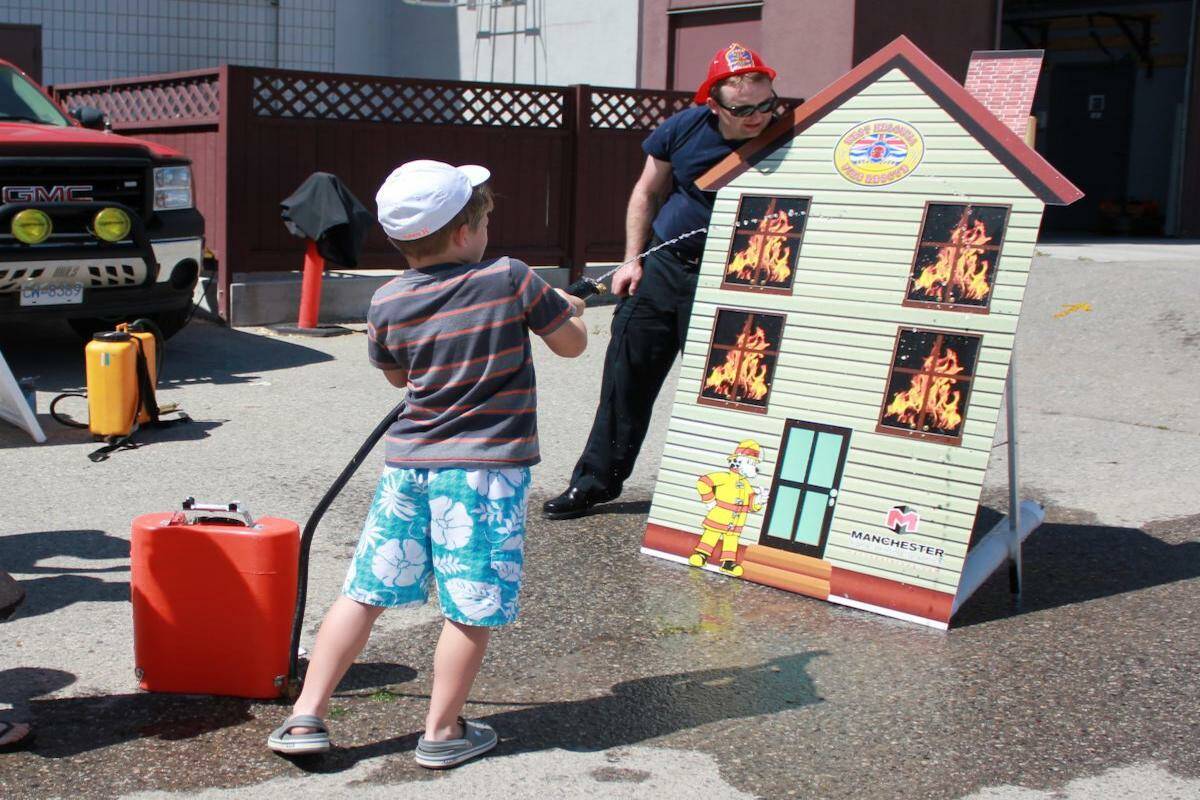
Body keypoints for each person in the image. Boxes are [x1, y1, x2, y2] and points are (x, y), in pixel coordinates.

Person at [268, 160, 588, 767]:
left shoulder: (385, 299)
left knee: (363, 591)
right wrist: (567, 311)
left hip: (408, 468)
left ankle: (307, 715)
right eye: (486, 217)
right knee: (469, 605)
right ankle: (442, 734)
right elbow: (571, 346)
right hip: (486, 473)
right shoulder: (512, 278)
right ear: (466, 232)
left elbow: (398, 375)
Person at [543, 43, 782, 520]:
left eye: (766, 104)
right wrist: (631, 260)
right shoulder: (683, 128)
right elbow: (647, 191)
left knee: (732, 390)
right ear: (713, 105)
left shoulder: (792, 135)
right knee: (626, 377)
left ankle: (738, 499)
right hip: (666, 264)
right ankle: (594, 483)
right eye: (743, 109)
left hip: (740, 277)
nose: (757, 117)